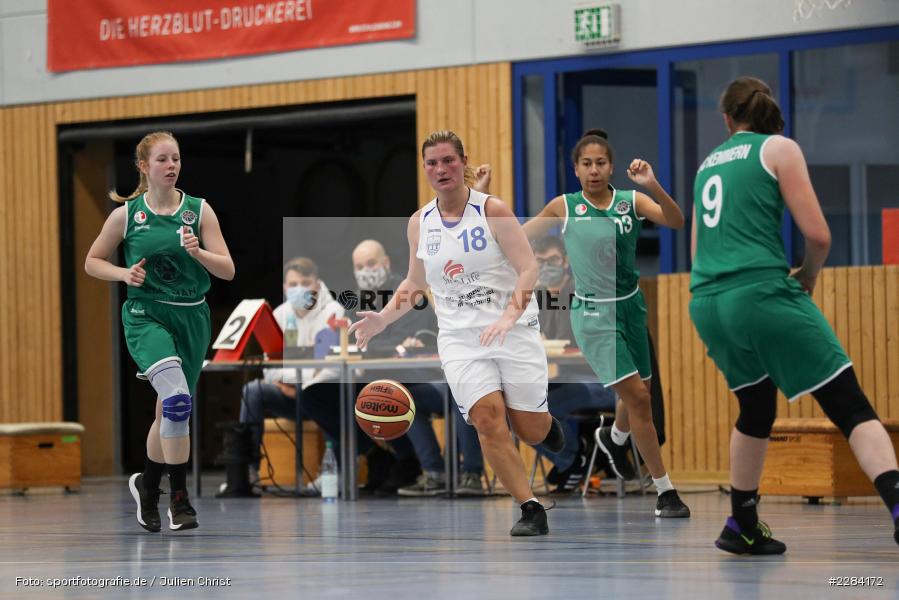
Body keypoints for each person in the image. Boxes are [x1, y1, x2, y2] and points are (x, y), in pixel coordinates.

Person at [689, 76, 899, 554]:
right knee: (849, 404)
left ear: (727, 120)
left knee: (756, 407)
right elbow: (819, 236)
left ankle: (741, 521)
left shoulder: (706, 166)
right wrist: (806, 275)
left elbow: (700, 249)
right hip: (759, 291)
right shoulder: (778, 149)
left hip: (706, 302)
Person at [350, 130, 565, 536]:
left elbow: (529, 269)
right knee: (486, 419)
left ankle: (545, 425)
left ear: (464, 163)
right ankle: (530, 507)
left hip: (512, 332)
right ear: (425, 169)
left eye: (448, 160)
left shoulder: (493, 211)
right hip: (460, 341)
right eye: (432, 162)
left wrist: (508, 317)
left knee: (529, 429)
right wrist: (381, 319)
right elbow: (415, 283)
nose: (441, 169)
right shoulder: (420, 223)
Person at [524, 128, 691, 518]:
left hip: (631, 307)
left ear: (611, 167)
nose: (594, 170)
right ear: (576, 169)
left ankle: (613, 439)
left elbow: (676, 220)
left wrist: (653, 185)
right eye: (586, 164)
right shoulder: (564, 207)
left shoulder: (631, 201)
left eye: (601, 163)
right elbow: (512, 236)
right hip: (593, 314)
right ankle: (665, 490)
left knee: (638, 393)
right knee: (639, 399)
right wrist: (483, 198)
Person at [85, 131, 235, 532]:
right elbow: (92, 261)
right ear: (143, 167)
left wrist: (198, 253)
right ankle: (180, 499)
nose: (172, 166)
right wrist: (123, 273)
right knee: (177, 402)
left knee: (167, 411)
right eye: (163, 160)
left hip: (192, 316)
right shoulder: (127, 215)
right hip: (146, 314)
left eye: (176, 159)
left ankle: (147, 486)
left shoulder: (199, 211)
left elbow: (228, 269)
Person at [236, 256, 343, 488]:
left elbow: (329, 367)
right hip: (289, 395)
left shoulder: (334, 312)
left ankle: (335, 473)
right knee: (253, 390)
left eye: (305, 283)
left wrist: (299, 386)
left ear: (317, 284)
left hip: (319, 396)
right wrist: (292, 384)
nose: (299, 289)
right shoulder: (280, 314)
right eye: (293, 284)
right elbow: (270, 367)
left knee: (323, 390)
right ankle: (248, 471)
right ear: (285, 287)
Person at [531, 235, 618, 494]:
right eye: (540, 261)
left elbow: (591, 343)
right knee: (516, 409)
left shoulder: (583, 292)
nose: (547, 266)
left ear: (566, 261)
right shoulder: (536, 297)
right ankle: (571, 457)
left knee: (539, 409)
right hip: (560, 378)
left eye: (553, 260)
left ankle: (572, 457)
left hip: (600, 381)